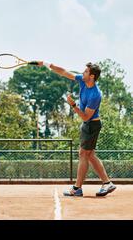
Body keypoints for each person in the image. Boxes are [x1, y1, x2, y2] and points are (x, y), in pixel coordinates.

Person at [38, 61, 116, 197]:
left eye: (86, 71)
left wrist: (73, 105)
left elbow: (86, 117)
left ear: (92, 76)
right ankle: (107, 183)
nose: (83, 73)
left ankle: (77, 188)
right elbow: (64, 72)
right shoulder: (82, 80)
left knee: (83, 154)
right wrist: (46, 64)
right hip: (88, 125)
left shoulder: (95, 95)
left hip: (92, 125)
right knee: (89, 155)